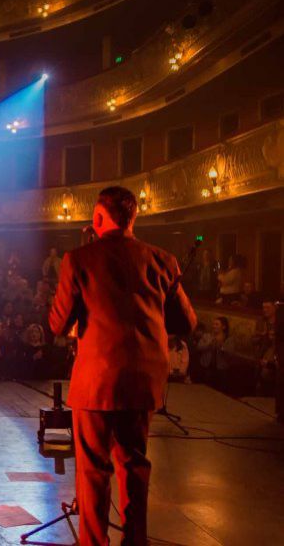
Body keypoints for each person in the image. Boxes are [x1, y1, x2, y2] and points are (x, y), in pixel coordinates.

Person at [49, 186, 196, 546]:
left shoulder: (79, 259)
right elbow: (187, 323)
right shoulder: (163, 260)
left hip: (96, 382)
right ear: (133, 218)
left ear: (98, 218)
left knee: (93, 472)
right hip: (142, 382)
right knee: (133, 468)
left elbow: (57, 323)